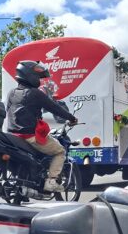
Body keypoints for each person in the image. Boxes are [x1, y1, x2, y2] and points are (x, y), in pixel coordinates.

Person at [6, 60, 78, 193]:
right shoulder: (35, 93)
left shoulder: (11, 93)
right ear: (29, 75)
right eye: (38, 77)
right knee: (60, 151)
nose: (39, 80)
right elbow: (54, 108)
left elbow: (7, 111)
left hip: (12, 137)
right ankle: (51, 181)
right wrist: (71, 118)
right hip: (30, 137)